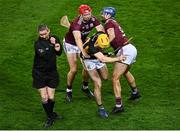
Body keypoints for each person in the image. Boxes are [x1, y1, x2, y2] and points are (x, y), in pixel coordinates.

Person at [101, 7, 141, 114]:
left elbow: (112, 36)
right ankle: (135, 92)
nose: (102, 15)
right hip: (129, 49)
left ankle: (119, 106)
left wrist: (103, 46)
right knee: (125, 71)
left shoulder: (108, 23)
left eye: (103, 13)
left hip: (125, 51)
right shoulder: (113, 21)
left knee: (115, 78)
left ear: (108, 15)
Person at [63, 4, 105, 102]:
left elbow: (101, 31)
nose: (88, 16)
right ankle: (69, 90)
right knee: (73, 70)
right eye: (85, 15)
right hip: (71, 44)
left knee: (87, 67)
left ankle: (85, 87)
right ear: (81, 15)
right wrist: (83, 52)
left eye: (89, 14)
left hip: (84, 41)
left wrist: (102, 42)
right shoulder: (77, 23)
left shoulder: (93, 19)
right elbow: (77, 39)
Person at [80, 31, 126, 118]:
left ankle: (86, 76)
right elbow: (103, 59)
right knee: (98, 83)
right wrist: (118, 58)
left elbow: (101, 54)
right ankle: (101, 108)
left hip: (98, 56)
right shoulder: (91, 47)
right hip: (88, 59)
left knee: (105, 77)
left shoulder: (101, 34)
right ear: (97, 42)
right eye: (101, 47)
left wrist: (104, 53)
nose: (103, 48)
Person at [32, 24, 63, 128]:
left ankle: (52, 114)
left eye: (45, 33)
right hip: (39, 73)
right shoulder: (38, 44)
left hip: (52, 72)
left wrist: (57, 46)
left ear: (48, 31)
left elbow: (59, 53)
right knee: (44, 97)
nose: (43, 36)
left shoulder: (55, 38)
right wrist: (53, 45)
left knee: (51, 97)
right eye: (41, 34)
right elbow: (44, 54)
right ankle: (50, 117)